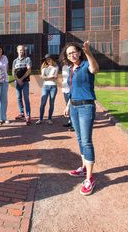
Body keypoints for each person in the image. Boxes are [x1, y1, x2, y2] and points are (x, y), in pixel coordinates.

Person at [62, 41, 99, 196]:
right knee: (79, 138)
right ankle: (84, 168)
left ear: (79, 52)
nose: (72, 55)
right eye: (69, 53)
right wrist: (67, 105)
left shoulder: (85, 65)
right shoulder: (71, 69)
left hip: (86, 107)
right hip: (74, 107)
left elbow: (95, 69)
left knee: (86, 141)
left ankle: (90, 179)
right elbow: (72, 90)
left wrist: (89, 53)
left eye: (74, 52)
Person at [36, 54, 59, 125]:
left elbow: (55, 77)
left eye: (49, 59)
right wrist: (51, 76)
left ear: (52, 59)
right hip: (45, 87)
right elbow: (42, 77)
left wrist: (47, 77)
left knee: (51, 103)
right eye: (46, 59)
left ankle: (49, 119)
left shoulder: (56, 67)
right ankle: (40, 119)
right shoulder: (43, 67)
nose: (48, 60)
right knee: (43, 103)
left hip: (53, 87)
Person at [12, 45, 32, 125]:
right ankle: (22, 113)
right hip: (17, 83)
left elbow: (29, 70)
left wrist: (21, 79)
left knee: (26, 98)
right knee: (19, 98)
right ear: (17, 51)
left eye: (23, 50)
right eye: (20, 50)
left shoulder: (27, 59)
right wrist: (17, 79)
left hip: (25, 82)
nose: (22, 51)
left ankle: (28, 115)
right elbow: (13, 72)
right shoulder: (15, 61)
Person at [60, 63, 74, 131]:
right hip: (65, 89)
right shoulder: (63, 67)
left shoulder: (72, 66)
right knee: (67, 106)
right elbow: (63, 77)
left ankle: (74, 125)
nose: (64, 61)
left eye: (65, 60)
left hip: (71, 89)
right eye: (63, 60)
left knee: (72, 107)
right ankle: (70, 121)